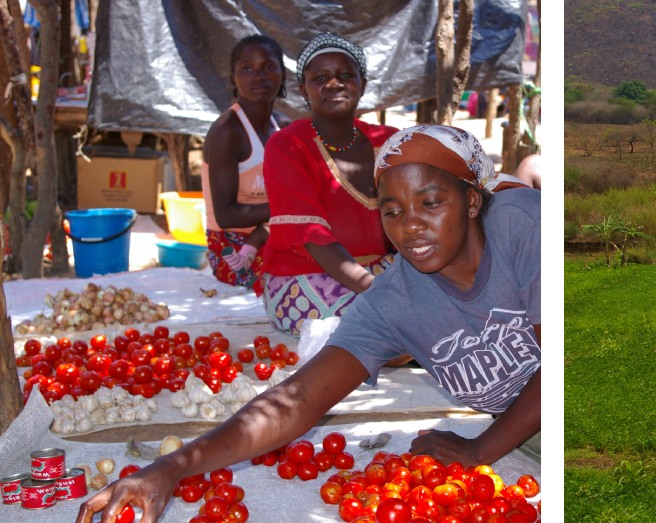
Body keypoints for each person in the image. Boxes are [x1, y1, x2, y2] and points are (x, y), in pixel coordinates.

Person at [76, 125, 540, 523]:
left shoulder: (522, 225)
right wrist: (172, 466)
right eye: (392, 211)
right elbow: (297, 400)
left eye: (431, 202)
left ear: (472, 200)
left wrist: (480, 451)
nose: (410, 226)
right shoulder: (394, 300)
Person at [260, 33, 399, 335]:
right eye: (320, 78)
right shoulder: (288, 146)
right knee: (381, 322)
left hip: (381, 271)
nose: (334, 84)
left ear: (362, 83)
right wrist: (378, 291)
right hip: (306, 277)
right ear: (304, 90)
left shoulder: (391, 142)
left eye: (346, 75)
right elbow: (313, 237)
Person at [202, 35, 290, 295]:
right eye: (247, 68)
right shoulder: (226, 131)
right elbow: (225, 216)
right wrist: (288, 207)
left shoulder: (282, 127)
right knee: (306, 271)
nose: (258, 76)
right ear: (233, 79)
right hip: (232, 245)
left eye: (269, 67)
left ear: (283, 75)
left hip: (275, 232)